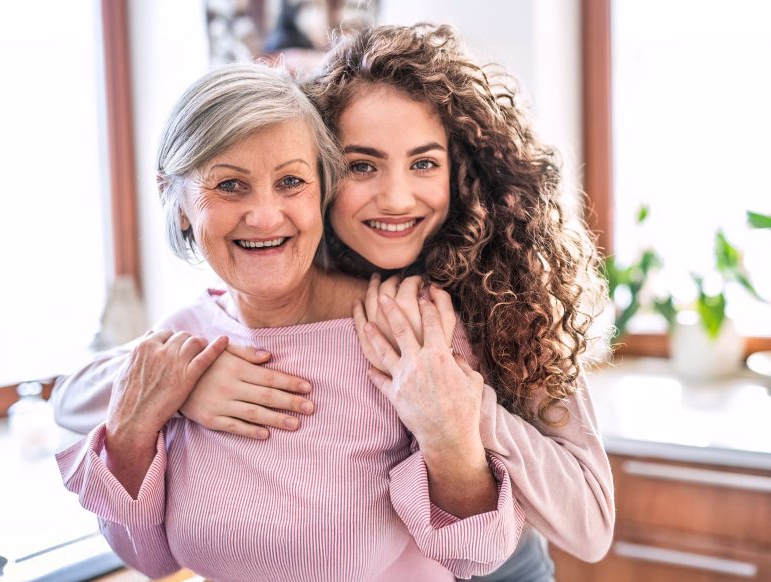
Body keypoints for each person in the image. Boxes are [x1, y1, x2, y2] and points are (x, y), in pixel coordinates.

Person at [52, 24, 616, 581]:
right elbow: (77, 398)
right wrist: (189, 379)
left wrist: (454, 401)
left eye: (423, 163)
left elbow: (589, 526)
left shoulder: (503, 298)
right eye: (362, 166)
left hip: (504, 567)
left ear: (464, 171)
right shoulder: (286, 269)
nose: (395, 198)